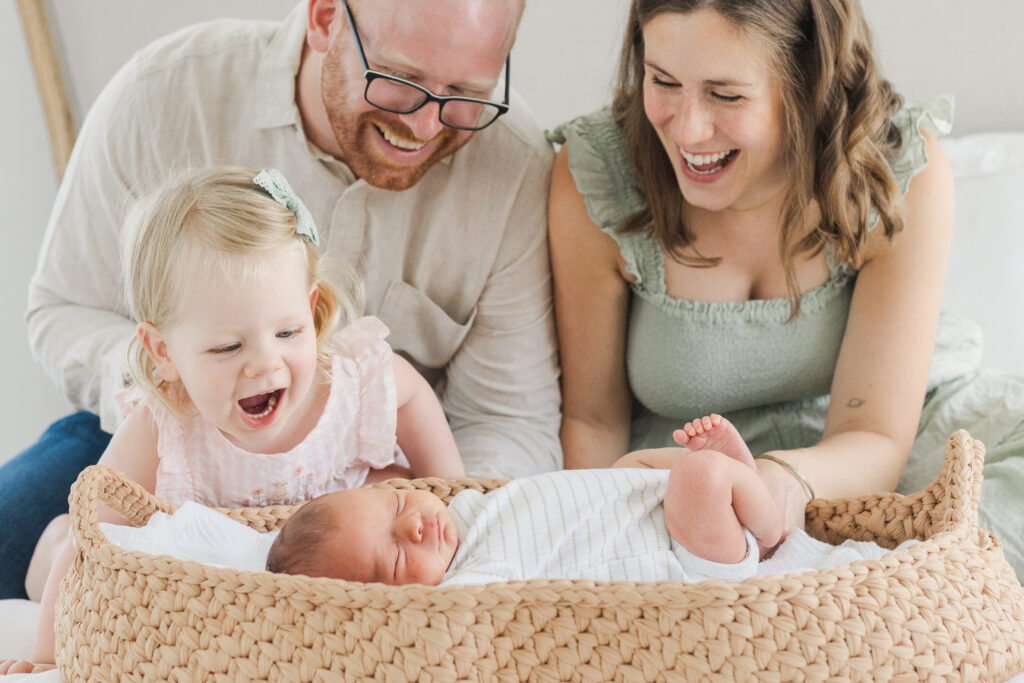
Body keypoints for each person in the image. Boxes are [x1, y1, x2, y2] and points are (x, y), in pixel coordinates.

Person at [1, 0, 561, 600]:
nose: (426, 126)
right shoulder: (164, 93)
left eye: (463, 94)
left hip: (368, 458)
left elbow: (509, 419)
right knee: (16, 534)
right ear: (323, 18)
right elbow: (63, 308)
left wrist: (416, 520)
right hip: (170, 440)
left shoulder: (515, 164)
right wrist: (193, 389)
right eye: (400, 81)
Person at [547, 0, 1024, 582]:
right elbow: (593, 424)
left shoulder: (896, 171)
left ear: (807, 86)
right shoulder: (600, 175)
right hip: (705, 491)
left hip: (888, 453)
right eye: (662, 81)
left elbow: (872, 432)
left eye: (726, 95)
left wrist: (777, 482)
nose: (687, 128)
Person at [4, 166, 467, 673]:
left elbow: (412, 397)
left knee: (392, 481)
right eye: (228, 346)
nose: (265, 363)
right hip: (214, 574)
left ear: (312, 311)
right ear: (164, 353)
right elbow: (90, 543)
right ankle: (42, 552)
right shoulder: (166, 426)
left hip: (321, 554)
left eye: (289, 332)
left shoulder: (352, 384)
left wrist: (455, 493)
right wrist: (47, 658)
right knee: (65, 545)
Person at [265, 415, 787, 585]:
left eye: (400, 507)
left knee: (631, 467)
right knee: (700, 477)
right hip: (688, 550)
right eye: (398, 557)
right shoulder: (469, 582)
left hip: (634, 500)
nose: (417, 527)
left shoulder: (464, 509)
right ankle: (767, 534)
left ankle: (735, 484)